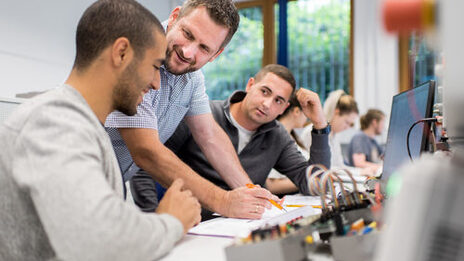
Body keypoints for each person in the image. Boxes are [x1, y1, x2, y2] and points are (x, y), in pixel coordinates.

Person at [0, 1, 201, 260]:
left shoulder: (88, 128)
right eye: (154, 66)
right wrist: (171, 221)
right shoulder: (55, 121)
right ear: (121, 53)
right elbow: (101, 242)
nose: (156, 83)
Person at [105, 0, 275, 219]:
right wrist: (223, 201)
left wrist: (252, 193)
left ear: (216, 54)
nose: (187, 52)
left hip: (110, 186)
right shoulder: (136, 48)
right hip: (70, 174)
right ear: (175, 17)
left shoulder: (192, 77)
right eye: (187, 34)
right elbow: (146, 151)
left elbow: (209, 135)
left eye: (204, 48)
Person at [165, 64, 331, 199]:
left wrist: (320, 124)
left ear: (284, 108)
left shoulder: (277, 135)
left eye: (278, 101)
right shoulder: (202, 115)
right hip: (193, 224)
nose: (267, 104)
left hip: (245, 226)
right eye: (264, 91)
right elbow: (150, 162)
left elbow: (316, 184)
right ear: (250, 85)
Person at [300, 90, 376, 176]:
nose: (347, 127)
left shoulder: (335, 135)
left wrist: (361, 171)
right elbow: (322, 169)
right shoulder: (314, 133)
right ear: (336, 112)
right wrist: (359, 172)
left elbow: (340, 167)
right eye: (347, 122)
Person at [266, 94, 309, 195]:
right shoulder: (274, 136)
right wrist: (307, 181)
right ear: (297, 111)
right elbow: (270, 185)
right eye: (306, 113)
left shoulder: (292, 135)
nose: (307, 118)